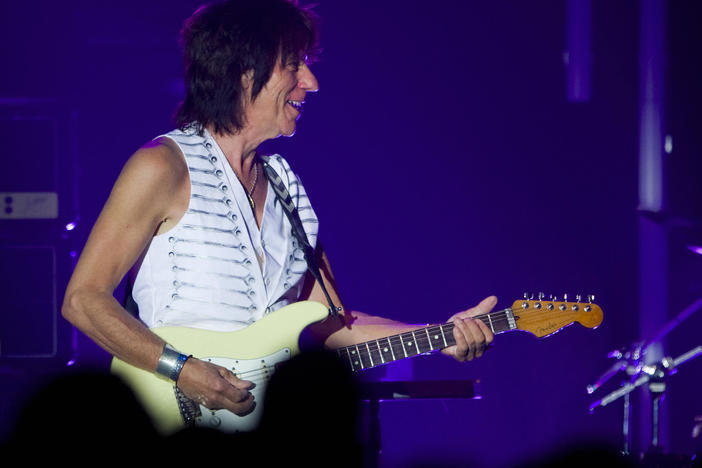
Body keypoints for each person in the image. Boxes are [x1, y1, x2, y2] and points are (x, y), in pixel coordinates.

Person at [62, 0, 496, 424]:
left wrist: (439, 335)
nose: (311, 82)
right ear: (243, 70)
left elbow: (334, 325)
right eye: (294, 64)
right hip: (171, 412)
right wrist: (184, 370)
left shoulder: (286, 186)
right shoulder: (164, 165)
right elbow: (83, 300)